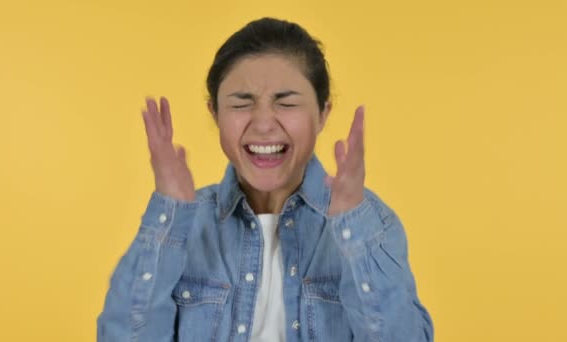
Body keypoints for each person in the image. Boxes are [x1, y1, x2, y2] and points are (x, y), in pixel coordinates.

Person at [97, 17, 433, 342]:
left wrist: (353, 227)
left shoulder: (370, 223)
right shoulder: (184, 223)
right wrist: (168, 219)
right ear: (215, 112)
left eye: (285, 102)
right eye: (242, 103)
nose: (263, 124)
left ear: (323, 113)